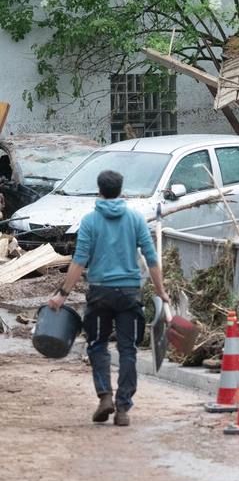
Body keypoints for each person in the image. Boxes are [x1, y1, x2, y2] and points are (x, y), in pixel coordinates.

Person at [49, 170, 170, 426]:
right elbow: (152, 259)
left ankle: (105, 396)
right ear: (121, 189)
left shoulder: (90, 221)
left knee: (98, 345)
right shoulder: (136, 219)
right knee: (128, 350)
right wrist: (161, 292)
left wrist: (62, 294)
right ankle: (123, 408)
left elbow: (79, 262)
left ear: (99, 190)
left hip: (100, 294)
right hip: (129, 294)